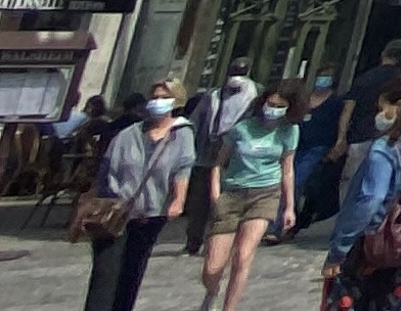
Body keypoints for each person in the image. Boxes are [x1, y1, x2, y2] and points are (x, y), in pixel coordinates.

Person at [320, 76, 401, 311]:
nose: (380, 115)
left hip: (370, 241)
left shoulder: (385, 148)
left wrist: (340, 248)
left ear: (398, 106)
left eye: (383, 108)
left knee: (347, 300)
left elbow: (371, 199)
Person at [84, 78, 197, 311]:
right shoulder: (129, 133)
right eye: (155, 97)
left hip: (151, 212)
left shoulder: (182, 134)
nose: (158, 102)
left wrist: (179, 200)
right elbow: (106, 167)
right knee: (105, 273)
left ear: (176, 101)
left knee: (132, 270)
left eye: (165, 98)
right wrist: (98, 199)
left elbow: (182, 169)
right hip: (115, 209)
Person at [199, 84, 299, 311]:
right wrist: (215, 194)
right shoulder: (241, 129)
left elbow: (288, 169)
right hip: (232, 193)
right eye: (270, 104)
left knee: (243, 256)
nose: (273, 109)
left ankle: (229, 308)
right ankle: (211, 293)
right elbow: (218, 163)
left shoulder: (289, 131)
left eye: (280, 106)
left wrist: (289, 206)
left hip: (265, 194)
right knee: (212, 266)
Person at [178, 76, 254, 258]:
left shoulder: (253, 97)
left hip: (234, 160)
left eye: (241, 71)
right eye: (234, 71)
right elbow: (195, 122)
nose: (236, 77)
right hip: (206, 155)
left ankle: (215, 242)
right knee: (199, 202)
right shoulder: (212, 96)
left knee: (225, 203)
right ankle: (193, 242)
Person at [287, 78, 346, 235]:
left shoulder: (335, 102)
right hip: (298, 145)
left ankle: (289, 222)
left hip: (319, 146)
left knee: (297, 180)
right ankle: (293, 216)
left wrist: (338, 143)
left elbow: (340, 123)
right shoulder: (305, 100)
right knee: (292, 181)